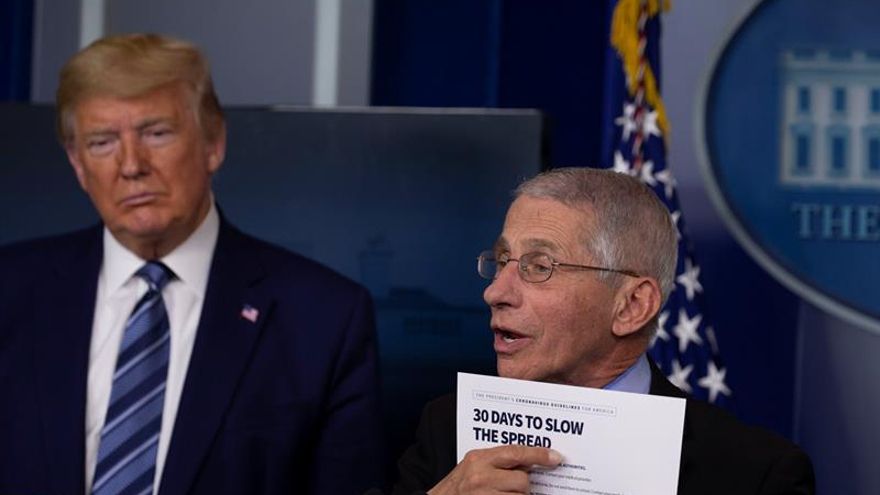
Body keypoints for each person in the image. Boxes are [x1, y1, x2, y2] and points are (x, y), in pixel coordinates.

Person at [0, 33, 383, 495]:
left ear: (213, 142)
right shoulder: (11, 291)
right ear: (78, 165)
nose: (131, 165)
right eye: (102, 142)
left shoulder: (325, 318)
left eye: (156, 133)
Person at [391, 167, 815, 495]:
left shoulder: (754, 475)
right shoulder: (447, 432)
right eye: (502, 262)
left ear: (632, 306)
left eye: (539, 267)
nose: (496, 292)